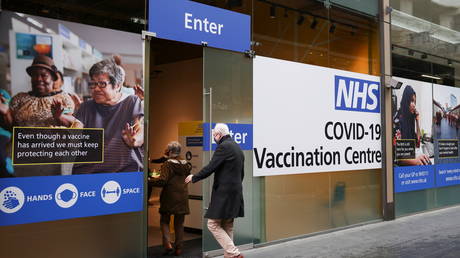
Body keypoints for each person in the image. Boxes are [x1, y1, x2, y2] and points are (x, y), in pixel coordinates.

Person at [0, 55, 81, 176]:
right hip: (24, 157)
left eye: (44, 75)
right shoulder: (19, 99)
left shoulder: (64, 99)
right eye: (35, 75)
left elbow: (73, 127)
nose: (38, 79)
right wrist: (5, 113)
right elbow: (12, 127)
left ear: (53, 78)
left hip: (54, 158)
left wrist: (59, 117)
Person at [71, 58, 144, 174]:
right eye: (93, 84)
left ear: (118, 85)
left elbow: (140, 129)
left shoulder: (132, 102)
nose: (95, 89)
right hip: (87, 173)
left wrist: (134, 141)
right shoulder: (86, 106)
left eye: (102, 84)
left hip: (123, 173)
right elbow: (74, 133)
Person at [185, 123, 245, 258]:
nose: (214, 138)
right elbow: (241, 173)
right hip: (235, 192)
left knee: (212, 224)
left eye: (214, 136)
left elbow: (211, 167)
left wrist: (194, 177)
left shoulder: (223, 147)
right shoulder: (237, 147)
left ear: (219, 135)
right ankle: (230, 256)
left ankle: (234, 254)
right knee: (227, 225)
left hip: (224, 193)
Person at [151, 141, 192, 256]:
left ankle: (167, 244)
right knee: (179, 223)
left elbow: (162, 180)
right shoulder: (186, 164)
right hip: (182, 195)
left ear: (169, 151)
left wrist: (149, 181)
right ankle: (178, 248)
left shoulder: (168, 164)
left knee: (164, 220)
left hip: (169, 196)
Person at [394, 85, 430, 166]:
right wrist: (416, 161)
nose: (413, 105)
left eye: (414, 102)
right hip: (401, 167)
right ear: (406, 101)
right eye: (411, 101)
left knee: (427, 162)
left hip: (410, 160)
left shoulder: (410, 119)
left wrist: (417, 121)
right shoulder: (398, 121)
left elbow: (417, 143)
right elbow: (399, 157)